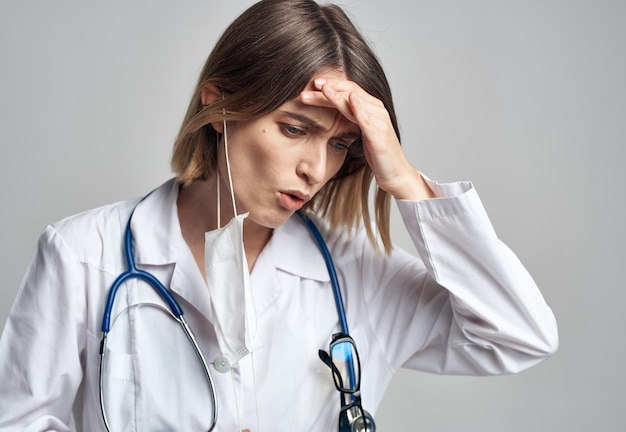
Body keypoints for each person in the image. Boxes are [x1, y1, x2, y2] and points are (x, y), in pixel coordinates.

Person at [0, 0, 558, 431]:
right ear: (219, 107)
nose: (316, 169)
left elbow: (519, 336)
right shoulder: (81, 256)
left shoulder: (359, 277)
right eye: (295, 129)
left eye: (341, 144)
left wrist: (405, 182)